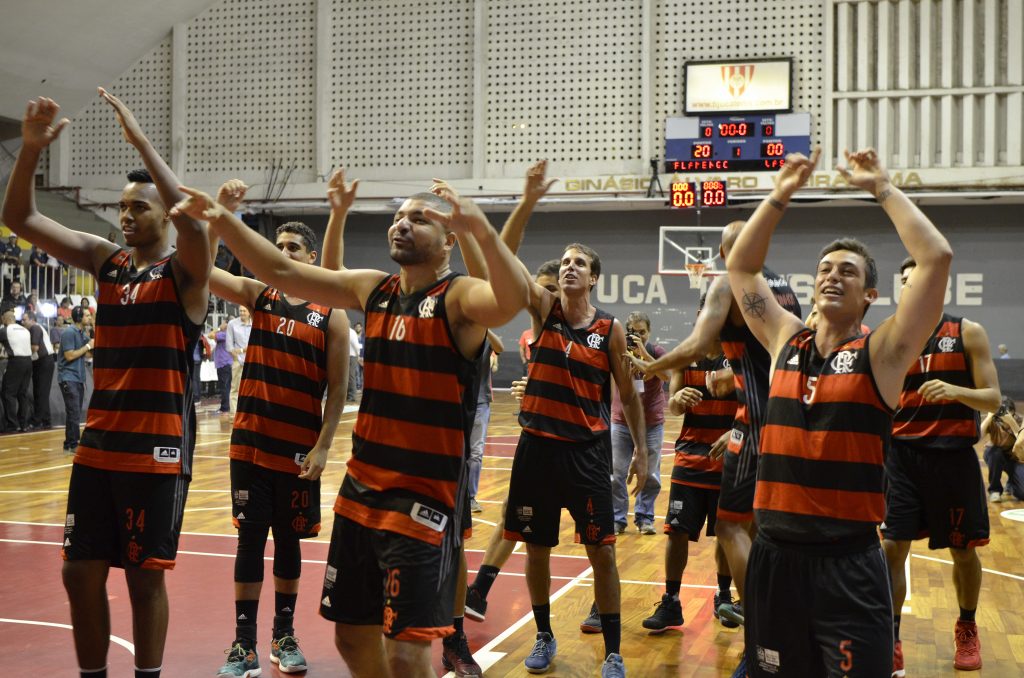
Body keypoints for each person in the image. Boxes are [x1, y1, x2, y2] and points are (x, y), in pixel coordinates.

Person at [171, 174, 528, 677]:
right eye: (398, 217)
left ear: (449, 239)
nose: (402, 224)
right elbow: (278, 269)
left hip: (421, 500)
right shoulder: (373, 289)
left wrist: (482, 231)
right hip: (360, 495)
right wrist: (221, 216)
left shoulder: (459, 298)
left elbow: (510, 303)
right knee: (351, 636)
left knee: (406, 652)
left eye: (418, 218)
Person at [2, 91, 210, 678]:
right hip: (101, 443)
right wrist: (30, 155)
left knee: (145, 580)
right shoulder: (107, 262)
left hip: (157, 446)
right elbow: (18, 219)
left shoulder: (188, 275)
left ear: (164, 215)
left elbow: (195, 221)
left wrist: (142, 142)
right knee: (77, 571)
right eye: (121, 207)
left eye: (138, 208)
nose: (125, 216)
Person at [724, 147, 952, 677]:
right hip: (774, 556)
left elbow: (936, 258)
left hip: (847, 563)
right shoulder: (785, 338)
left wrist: (882, 188)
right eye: (824, 269)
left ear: (870, 294)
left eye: (847, 272)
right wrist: (780, 193)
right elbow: (741, 264)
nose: (831, 276)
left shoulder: (884, 352)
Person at [631, 221, 801, 645]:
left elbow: (698, 345)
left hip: (755, 422)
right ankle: (765, 619)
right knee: (758, 529)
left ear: (723, 256)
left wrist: (652, 366)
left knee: (730, 528)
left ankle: (761, 627)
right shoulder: (783, 289)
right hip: (785, 419)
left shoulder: (728, 283)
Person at [206, 181, 350, 677]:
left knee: (289, 543)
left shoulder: (331, 316)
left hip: (297, 450)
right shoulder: (258, 295)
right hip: (250, 443)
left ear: (309, 257)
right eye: (278, 247)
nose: (282, 253)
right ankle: (243, 644)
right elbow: (201, 272)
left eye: (292, 248)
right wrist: (220, 217)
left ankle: (282, 635)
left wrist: (325, 445)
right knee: (250, 541)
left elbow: (338, 390)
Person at [503, 238, 649, 678]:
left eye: (579, 263)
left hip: (586, 455)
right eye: (564, 261)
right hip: (536, 450)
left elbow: (628, 393)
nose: (569, 268)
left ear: (594, 278)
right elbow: (506, 264)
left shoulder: (610, 329)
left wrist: (642, 453)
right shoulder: (543, 311)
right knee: (536, 549)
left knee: (601, 553)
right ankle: (544, 634)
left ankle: (613, 652)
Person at [882, 256, 1002, 674]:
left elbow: (992, 398)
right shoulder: (887, 337)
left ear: (941, 287)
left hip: (953, 459)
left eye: (923, 281)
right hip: (900, 458)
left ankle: (967, 626)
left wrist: (953, 390)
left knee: (962, 551)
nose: (914, 288)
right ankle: (891, 636)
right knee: (891, 547)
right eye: (907, 283)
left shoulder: (967, 332)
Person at [641, 350, 738, 633]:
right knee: (676, 530)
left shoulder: (739, 355)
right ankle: (671, 601)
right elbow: (673, 406)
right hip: (689, 458)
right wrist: (677, 399)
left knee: (726, 532)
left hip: (728, 459)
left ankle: (724, 596)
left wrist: (736, 432)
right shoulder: (687, 356)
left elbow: (754, 406)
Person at [468, 331, 503, 514]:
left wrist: (486, 329)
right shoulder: (458, 337)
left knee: (476, 452)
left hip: (480, 402)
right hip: (458, 402)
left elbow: (500, 348)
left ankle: (470, 497)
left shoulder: (485, 339)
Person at [57, 306, 92, 453]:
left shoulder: (81, 333)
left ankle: (69, 444)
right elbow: (69, 355)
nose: (89, 318)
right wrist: (88, 346)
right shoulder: (69, 333)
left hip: (78, 378)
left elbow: (89, 353)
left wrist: (90, 342)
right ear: (78, 317)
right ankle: (74, 443)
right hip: (68, 377)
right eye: (87, 316)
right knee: (74, 412)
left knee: (73, 412)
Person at [981, 396, 1023, 501]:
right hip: (996, 457)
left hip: (1016, 460)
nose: (1004, 418)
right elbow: (976, 437)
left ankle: (1012, 482)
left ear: (1014, 412)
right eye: (1002, 414)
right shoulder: (994, 421)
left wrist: (1012, 422)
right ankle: (995, 490)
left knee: (1022, 494)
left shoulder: (1021, 421)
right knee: (993, 451)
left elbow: (1022, 444)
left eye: (1008, 414)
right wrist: (989, 417)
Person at [0, 309, 33, 431]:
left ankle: (12, 424)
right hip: (28, 362)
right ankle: (23, 424)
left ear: (6, 319)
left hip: (16, 363)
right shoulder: (25, 330)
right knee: (22, 394)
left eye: (2, 319)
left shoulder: (5, 330)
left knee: (8, 393)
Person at [23, 310, 55, 429]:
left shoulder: (35, 328)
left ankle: (36, 421)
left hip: (43, 362)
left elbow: (35, 347)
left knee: (41, 391)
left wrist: (22, 352)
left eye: (24, 319)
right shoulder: (37, 327)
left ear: (32, 319)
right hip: (43, 362)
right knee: (41, 391)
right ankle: (46, 420)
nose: (22, 322)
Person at [226, 305, 251, 402]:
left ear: (249, 313)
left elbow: (256, 345)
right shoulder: (232, 324)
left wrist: (241, 350)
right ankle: (233, 415)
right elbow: (229, 346)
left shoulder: (255, 323)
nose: (242, 313)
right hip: (237, 361)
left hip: (252, 361)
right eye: (240, 311)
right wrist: (237, 357)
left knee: (251, 389)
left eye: (244, 311)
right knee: (235, 389)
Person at [210, 322, 233, 414]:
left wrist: (219, 328)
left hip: (223, 363)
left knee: (224, 387)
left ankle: (224, 408)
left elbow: (210, 335)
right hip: (226, 363)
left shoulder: (224, 334)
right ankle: (227, 407)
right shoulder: (228, 334)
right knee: (227, 386)